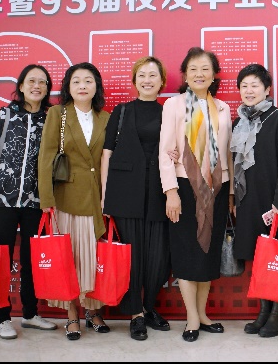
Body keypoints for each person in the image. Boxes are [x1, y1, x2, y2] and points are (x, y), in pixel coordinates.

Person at [0, 63, 57, 339]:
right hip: (2, 200)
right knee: (2, 259)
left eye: (42, 82)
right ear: (21, 86)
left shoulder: (51, 118)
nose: (37, 86)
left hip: (36, 201)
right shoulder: (6, 114)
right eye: (31, 81)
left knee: (33, 261)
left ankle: (30, 314)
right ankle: (2, 317)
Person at [159, 47, 234, 343]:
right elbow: (166, 151)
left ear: (214, 75)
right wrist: (171, 192)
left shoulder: (224, 108)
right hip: (184, 186)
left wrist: (230, 193)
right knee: (187, 253)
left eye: (205, 69)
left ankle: (202, 314)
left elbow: (228, 153)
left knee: (208, 253)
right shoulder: (174, 105)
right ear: (185, 75)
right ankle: (191, 317)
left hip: (217, 188)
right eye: (193, 69)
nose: (199, 74)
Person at [38, 62, 111, 341]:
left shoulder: (106, 117)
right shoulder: (58, 114)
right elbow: (46, 157)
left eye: (88, 81)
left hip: (97, 198)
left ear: (96, 86)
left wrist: (109, 197)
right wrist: (46, 198)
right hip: (65, 198)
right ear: (68, 87)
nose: (82, 86)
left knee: (93, 258)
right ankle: (72, 315)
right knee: (69, 259)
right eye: (76, 81)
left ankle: (93, 312)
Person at [100, 57, 171, 341]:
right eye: (142, 75)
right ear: (134, 80)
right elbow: (107, 153)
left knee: (158, 258)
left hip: (159, 192)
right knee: (131, 257)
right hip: (124, 192)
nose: (147, 80)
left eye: (153, 75)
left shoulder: (169, 112)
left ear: (161, 81)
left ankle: (149, 306)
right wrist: (105, 196)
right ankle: (135, 315)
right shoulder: (121, 111)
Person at [229, 63, 278, 338]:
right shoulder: (238, 122)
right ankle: (263, 311)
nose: (249, 90)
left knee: (276, 257)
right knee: (259, 257)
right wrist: (234, 198)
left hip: (273, 199)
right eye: (244, 86)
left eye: (254, 85)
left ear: (267, 89)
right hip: (248, 200)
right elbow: (234, 165)